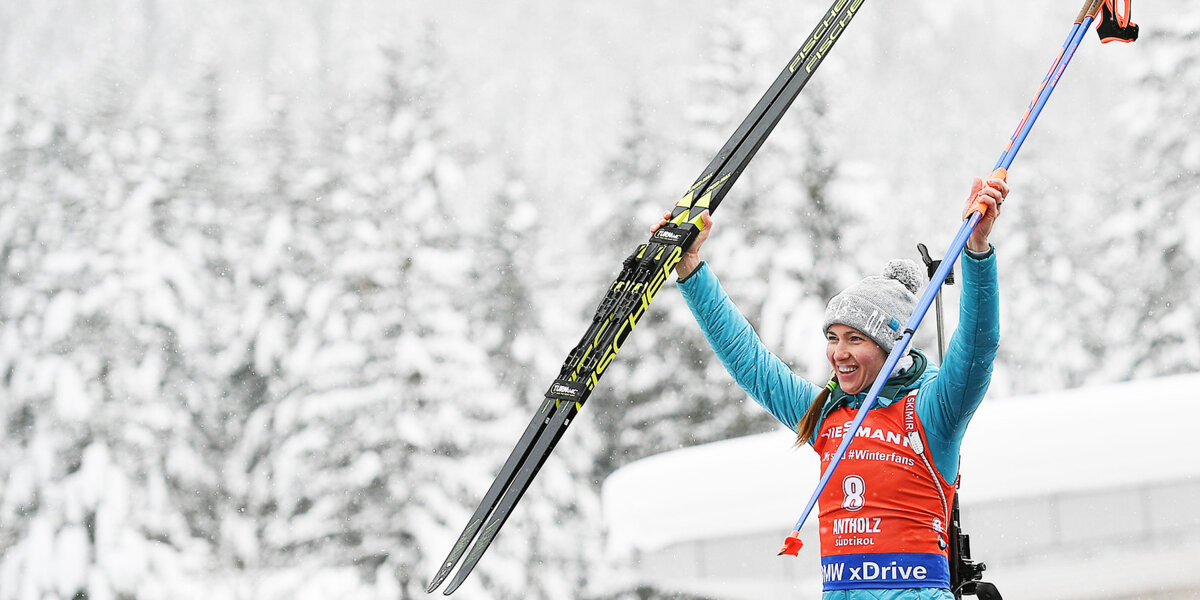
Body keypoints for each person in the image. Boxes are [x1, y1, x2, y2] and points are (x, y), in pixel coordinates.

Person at [653, 175, 1010, 600]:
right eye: (832, 338)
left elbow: (977, 346)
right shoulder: (828, 413)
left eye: (855, 339)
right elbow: (748, 361)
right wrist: (691, 268)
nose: (838, 352)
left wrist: (977, 252)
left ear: (890, 345)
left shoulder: (933, 410)